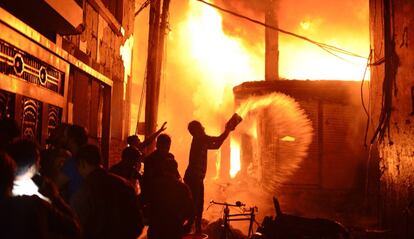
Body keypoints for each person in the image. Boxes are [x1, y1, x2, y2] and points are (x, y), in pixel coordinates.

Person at [0, 151, 81, 239]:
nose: (40, 167)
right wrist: (56, 198)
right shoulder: (32, 205)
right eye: (38, 162)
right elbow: (74, 228)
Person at [70, 144, 144, 239]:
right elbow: (137, 224)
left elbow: (77, 228)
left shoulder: (84, 192)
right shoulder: (125, 185)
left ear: (83, 163)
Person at [183, 119, 237, 233]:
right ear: (197, 130)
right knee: (194, 205)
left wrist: (227, 131)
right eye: (202, 126)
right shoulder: (200, 138)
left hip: (197, 178)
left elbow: (216, 145)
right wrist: (227, 130)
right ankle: (186, 231)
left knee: (199, 204)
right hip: (194, 178)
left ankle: (196, 229)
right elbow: (217, 139)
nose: (204, 128)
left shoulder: (199, 140)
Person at [146, 166, 194, 239]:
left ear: (164, 171)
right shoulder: (182, 187)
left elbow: (146, 204)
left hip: (156, 229)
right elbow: (191, 211)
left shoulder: (154, 186)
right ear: (175, 170)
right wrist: (185, 228)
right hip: (174, 229)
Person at [142, 134, 181, 202]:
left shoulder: (170, 157)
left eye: (168, 147)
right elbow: (148, 180)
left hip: (168, 194)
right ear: (157, 145)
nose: (166, 149)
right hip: (156, 194)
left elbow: (176, 175)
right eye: (164, 146)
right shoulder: (150, 159)